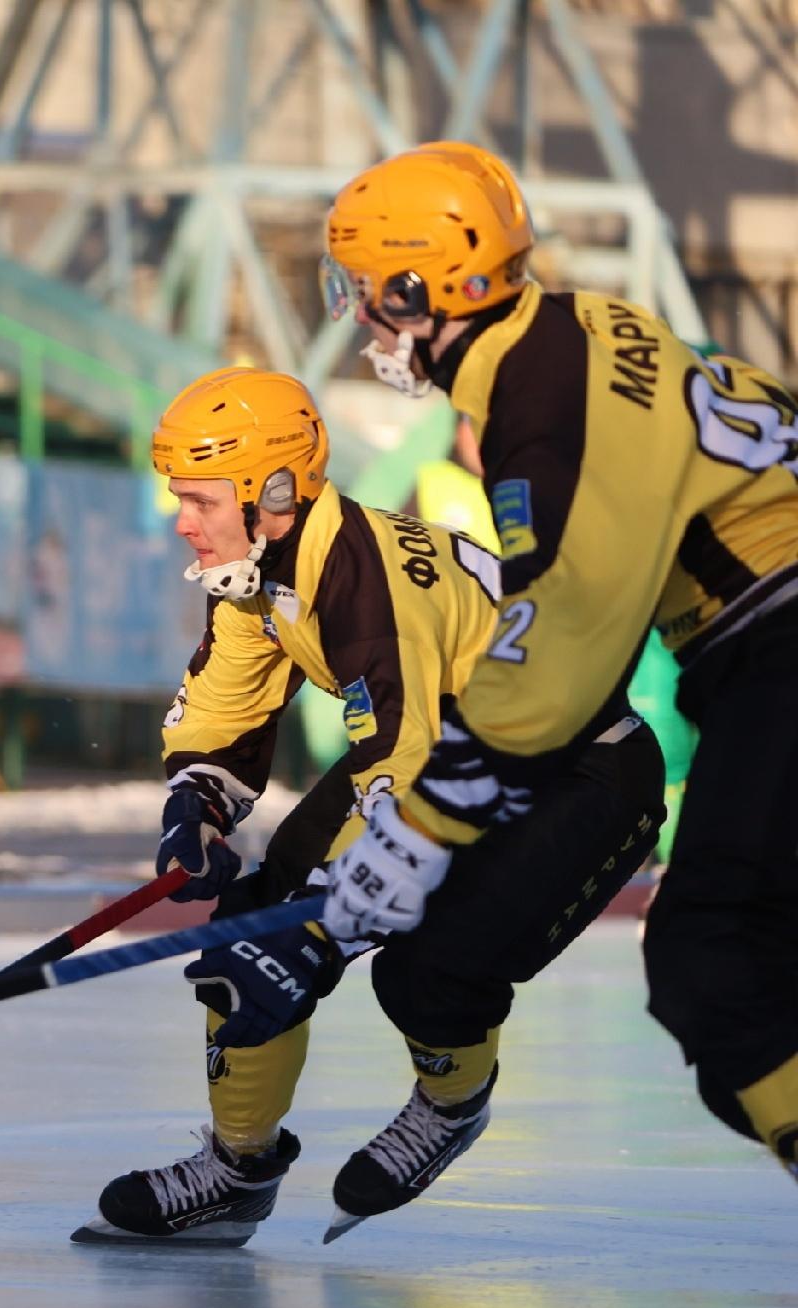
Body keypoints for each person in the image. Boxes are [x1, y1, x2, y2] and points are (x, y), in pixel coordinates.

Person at [73, 369, 664, 1246]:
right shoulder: (261, 570)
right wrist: (194, 806)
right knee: (248, 932)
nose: (182, 521)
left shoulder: (368, 587)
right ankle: (238, 1173)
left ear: (272, 493)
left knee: (427, 968)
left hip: (580, 774)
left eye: (198, 499)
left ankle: (452, 1103)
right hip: (450, 762)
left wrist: (321, 932)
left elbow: (407, 769)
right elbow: (227, 709)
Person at [320, 141, 798, 1187]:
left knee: (712, 964)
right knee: (743, 1006)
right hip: (764, 650)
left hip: (780, 646)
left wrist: (417, 829)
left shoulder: (546, 397)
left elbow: (563, 645)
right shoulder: (568, 336)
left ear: (419, 288)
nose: (358, 316)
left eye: (363, 290)